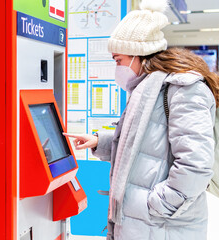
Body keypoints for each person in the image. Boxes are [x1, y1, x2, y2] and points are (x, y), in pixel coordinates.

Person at [63, 0, 219, 239]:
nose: (117, 67)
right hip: (145, 226)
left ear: (138, 55)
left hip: (164, 227)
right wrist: (98, 141)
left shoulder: (184, 89)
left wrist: (155, 205)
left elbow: (195, 164)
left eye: (118, 60)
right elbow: (143, 143)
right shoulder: (145, 90)